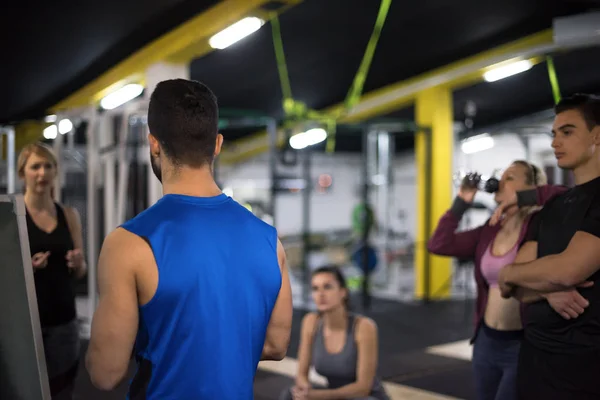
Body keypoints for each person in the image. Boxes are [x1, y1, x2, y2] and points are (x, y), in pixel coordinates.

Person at [84, 79, 293, 399]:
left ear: (153, 143)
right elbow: (276, 345)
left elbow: (105, 371)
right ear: (218, 144)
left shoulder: (128, 244)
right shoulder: (269, 241)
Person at [427, 160, 575, 400]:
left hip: (521, 344)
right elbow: (438, 244)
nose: (500, 183)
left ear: (530, 187)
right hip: (486, 341)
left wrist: (528, 198)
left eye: (510, 178)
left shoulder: (539, 226)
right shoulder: (490, 228)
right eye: (500, 177)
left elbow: (565, 194)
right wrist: (462, 201)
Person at [498, 94, 600, 399]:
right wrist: (541, 287)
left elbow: (568, 270)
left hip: (586, 366)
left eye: (567, 132)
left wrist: (513, 273)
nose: (556, 142)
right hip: (535, 359)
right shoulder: (554, 205)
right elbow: (515, 290)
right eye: (553, 134)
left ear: (597, 135)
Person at [18, 142, 87, 399]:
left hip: (63, 324)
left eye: (48, 166)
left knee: (61, 392)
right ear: (22, 173)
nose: (42, 173)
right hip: (27, 326)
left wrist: (79, 264)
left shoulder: (69, 215)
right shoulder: (12, 216)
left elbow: (81, 271)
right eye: (35, 166)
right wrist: (28, 268)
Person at [280, 265, 389, 400]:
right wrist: (304, 390)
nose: (321, 294)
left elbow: (363, 388)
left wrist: (319, 396)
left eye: (327, 287)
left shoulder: (364, 327)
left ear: (343, 292)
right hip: (334, 394)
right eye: (315, 288)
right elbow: (302, 374)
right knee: (289, 395)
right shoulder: (311, 322)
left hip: (364, 397)